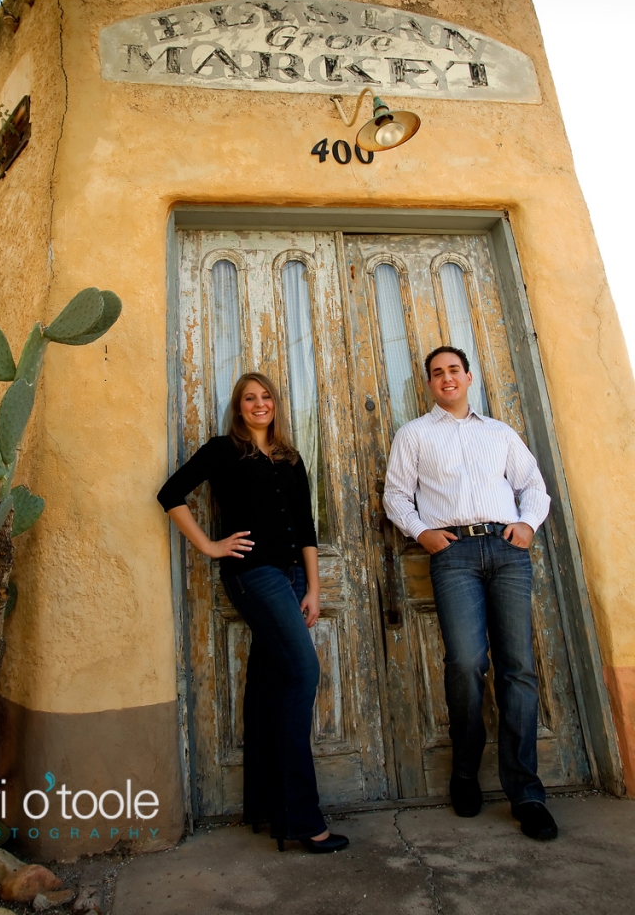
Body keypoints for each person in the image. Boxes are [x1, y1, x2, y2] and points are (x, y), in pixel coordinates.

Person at [157, 371, 349, 854]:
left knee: (271, 685)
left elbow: (306, 525)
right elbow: (170, 494)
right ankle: (304, 818)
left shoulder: (290, 457)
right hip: (253, 574)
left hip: (291, 578)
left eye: (266, 397)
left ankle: (273, 812)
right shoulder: (224, 450)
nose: (259, 404)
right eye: (249, 398)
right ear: (238, 407)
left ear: (275, 404)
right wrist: (210, 546)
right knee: (304, 673)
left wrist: (314, 588)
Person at [383, 345, 558, 841]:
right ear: (429, 383)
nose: (446, 379)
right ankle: (465, 772)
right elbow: (396, 494)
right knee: (464, 662)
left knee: (517, 666)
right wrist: (422, 534)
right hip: (453, 554)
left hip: (507, 550)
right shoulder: (413, 434)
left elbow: (533, 486)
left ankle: (526, 792)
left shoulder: (499, 432)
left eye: (453, 370)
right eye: (436, 373)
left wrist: (526, 524)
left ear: (468, 376)